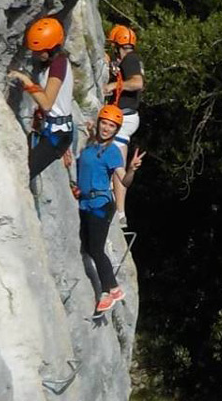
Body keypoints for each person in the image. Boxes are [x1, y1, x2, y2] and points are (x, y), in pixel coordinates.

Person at [74, 105, 142, 314]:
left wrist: (131, 169)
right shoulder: (91, 144)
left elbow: (124, 181)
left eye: (111, 126)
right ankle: (107, 290)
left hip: (101, 205)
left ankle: (111, 289)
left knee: (96, 248)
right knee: (87, 246)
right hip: (85, 203)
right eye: (104, 123)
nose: (106, 128)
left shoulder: (112, 152)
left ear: (116, 129)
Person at [7, 18, 76, 181]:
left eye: (40, 51)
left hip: (57, 135)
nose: (36, 55)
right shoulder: (54, 63)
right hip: (54, 129)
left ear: (52, 48)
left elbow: (47, 103)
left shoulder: (58, 64)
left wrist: (25, 80)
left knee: (23, 175)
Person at [104, 25, 145, 159]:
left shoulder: (130, 59)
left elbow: (137, 83)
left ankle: (119, 180)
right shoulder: (132, 60)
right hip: (126, 115)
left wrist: (113, 85)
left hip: (124, 116)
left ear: (118, 46)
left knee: (115, 162)